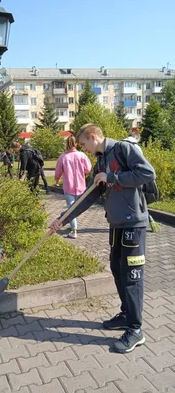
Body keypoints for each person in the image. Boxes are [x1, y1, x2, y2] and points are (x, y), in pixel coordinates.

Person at [50, 123, 156, 354]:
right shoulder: (101, 160)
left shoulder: (123, 149)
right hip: (116, 224)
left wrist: (111, 176)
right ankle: (127, 313)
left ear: (93, 136)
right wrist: (62, 219)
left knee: (131, 276)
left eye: (85, 144)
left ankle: (136, 330)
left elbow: (147, 173)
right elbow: (87, 197)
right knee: (117, 269)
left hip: (133, 224)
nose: (84, 149)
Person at [55, 134, 92, 238]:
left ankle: (74, 229)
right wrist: (83, 171)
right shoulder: (82, 155)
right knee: (77, 207)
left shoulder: (63, 157)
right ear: (76, 144)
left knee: (70, 208)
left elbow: (58, 171)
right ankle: (73, 225)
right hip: (81, 186)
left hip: (69, 186)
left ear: (66, 144)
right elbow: (88, 168)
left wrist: (57, 179)